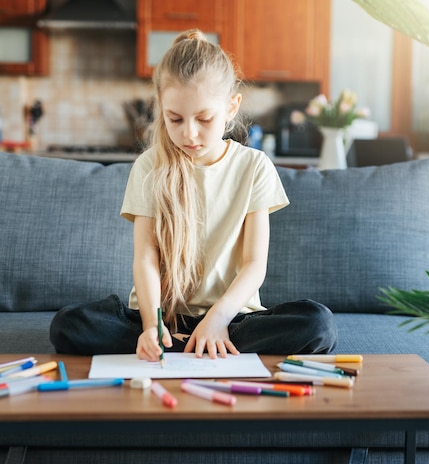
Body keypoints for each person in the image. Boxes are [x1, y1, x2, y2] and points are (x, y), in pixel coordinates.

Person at [50, 29, 337, 360]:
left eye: (204, 119)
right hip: (162, 319)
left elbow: (254, 264)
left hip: (231, 320)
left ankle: (203, 341)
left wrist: (217, 320)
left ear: (231, 107)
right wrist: (150, 325)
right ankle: (183, 345)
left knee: (318, 324)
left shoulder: (254, 166)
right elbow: (146, 258)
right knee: (68, 325)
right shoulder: (149, 166)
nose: (189, 133)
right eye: (175, 119)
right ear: (161, 106)